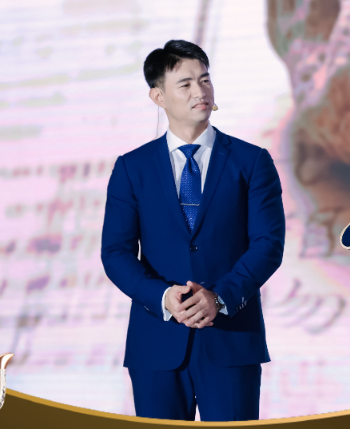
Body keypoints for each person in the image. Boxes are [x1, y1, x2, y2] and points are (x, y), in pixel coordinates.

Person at [101, 40, 285, 421]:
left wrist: (219, 297)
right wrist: (163, 296)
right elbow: (116, 253)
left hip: (231, 339)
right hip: (156, 343)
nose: (200, 91)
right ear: (158, 96)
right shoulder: (132, 168)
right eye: (185, 84)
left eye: (204, 80)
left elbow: (268, 243)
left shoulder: (252, 161)